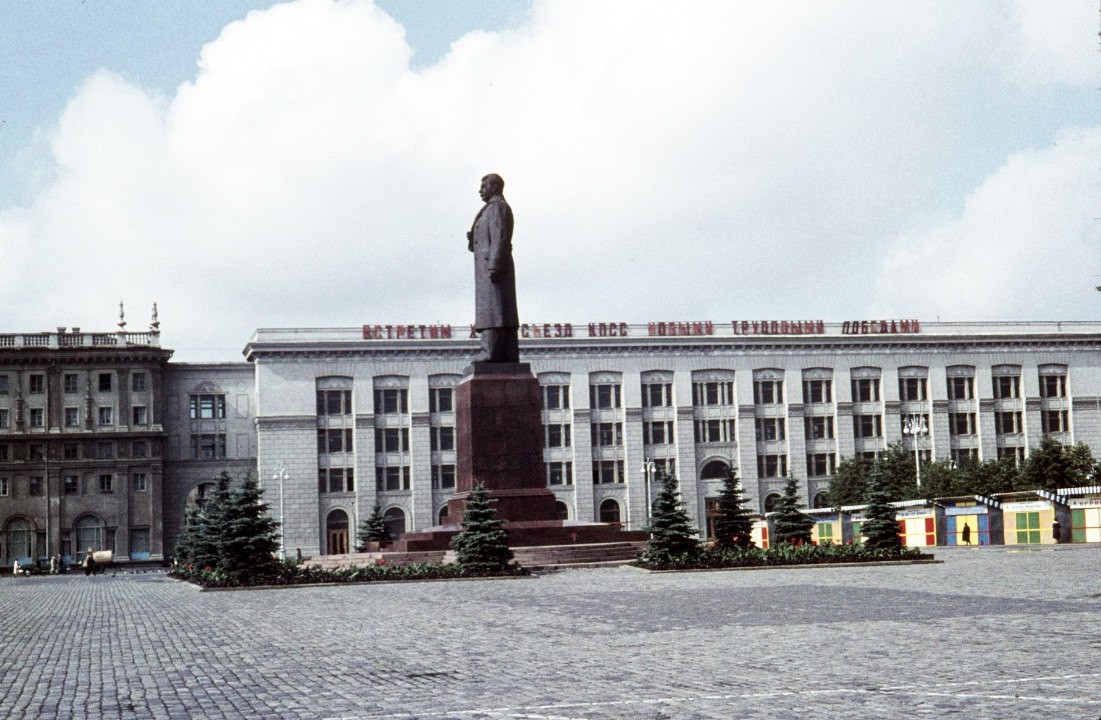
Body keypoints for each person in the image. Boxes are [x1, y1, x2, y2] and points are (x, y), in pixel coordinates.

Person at [467, 173, 519, 363]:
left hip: (493, 268)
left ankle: (490, 352)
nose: (480, 190)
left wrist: (495, 265)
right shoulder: (490, 209)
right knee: (495, 310)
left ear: (494, 187)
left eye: (484, 186)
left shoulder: (497, 208)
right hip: (489, 268)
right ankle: (500, 352)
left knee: (494, 310)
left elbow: (500, 237)